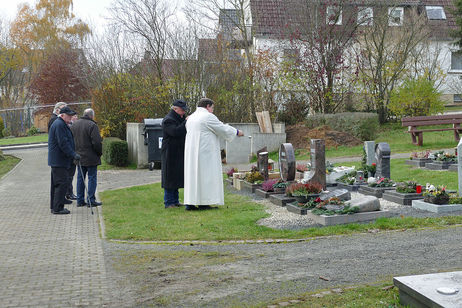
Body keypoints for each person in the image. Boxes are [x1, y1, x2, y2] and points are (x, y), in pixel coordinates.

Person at [184, 98, 244, 210]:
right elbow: (222, 128)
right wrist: (236, 132)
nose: (212, 111)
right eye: (212, 108)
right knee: (206, 176)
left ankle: (190, 203)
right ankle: (204, 203)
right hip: (205, 153)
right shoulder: (207, 117)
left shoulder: (191, 117)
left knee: (193, 177)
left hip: (191, 153)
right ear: (207, 106)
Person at [48, 106, 80, 215]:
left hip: (58, 160)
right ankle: (57, 208)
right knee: (61, 184)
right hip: (59, 161)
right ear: (62, 115)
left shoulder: (61, 124)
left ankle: (55, 206)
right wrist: (73, 154)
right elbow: (63, 143)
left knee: (58, 184)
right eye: (69, 115)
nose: (71, 117)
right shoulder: (59, 125)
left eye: (71, 115)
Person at [71, 108, 103, 207]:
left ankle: (80, 200)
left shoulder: (74, 125)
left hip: (79, 157)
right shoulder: (92, 125)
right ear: (91, 116)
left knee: (80, 178)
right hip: (91, 157)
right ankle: (90, 200)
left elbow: (71, 140)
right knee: (92, 178)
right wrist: (99, 153)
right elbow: (97, 142)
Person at [161, 100, 188, 209]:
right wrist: (185, 122)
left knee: (176, 176)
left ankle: (175, 200)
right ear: (175, 109)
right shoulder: (168, 120)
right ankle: (168, 202)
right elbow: (175, 132)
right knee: (169, 176)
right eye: (182, 110)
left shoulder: (179, 118)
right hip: (170, 152)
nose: (183, 112)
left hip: (178, 151)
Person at [65, 114, 79, 201]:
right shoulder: (69, 127)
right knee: (69, 175)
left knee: (71, 175)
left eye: (77, 116)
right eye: (74, 116)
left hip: (74, 154)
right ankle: (69, 193)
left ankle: (69, 192)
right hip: (70, 155)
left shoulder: (74, 126)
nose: (76, 117)